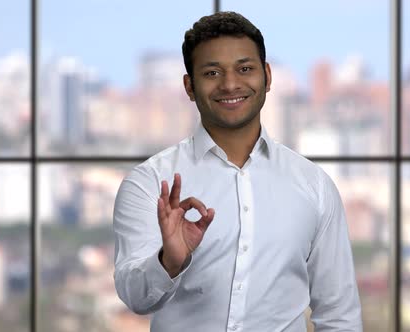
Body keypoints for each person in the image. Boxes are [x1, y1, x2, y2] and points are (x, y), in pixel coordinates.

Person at [113, 11, 362, 332]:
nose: (230, 84)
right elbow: (134, 298)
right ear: (189, 86)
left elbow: (339, 314)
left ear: (267, 77)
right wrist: (169, 261)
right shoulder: (148, 183)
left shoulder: (314, 185)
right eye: (212, 72)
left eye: (244, 69)